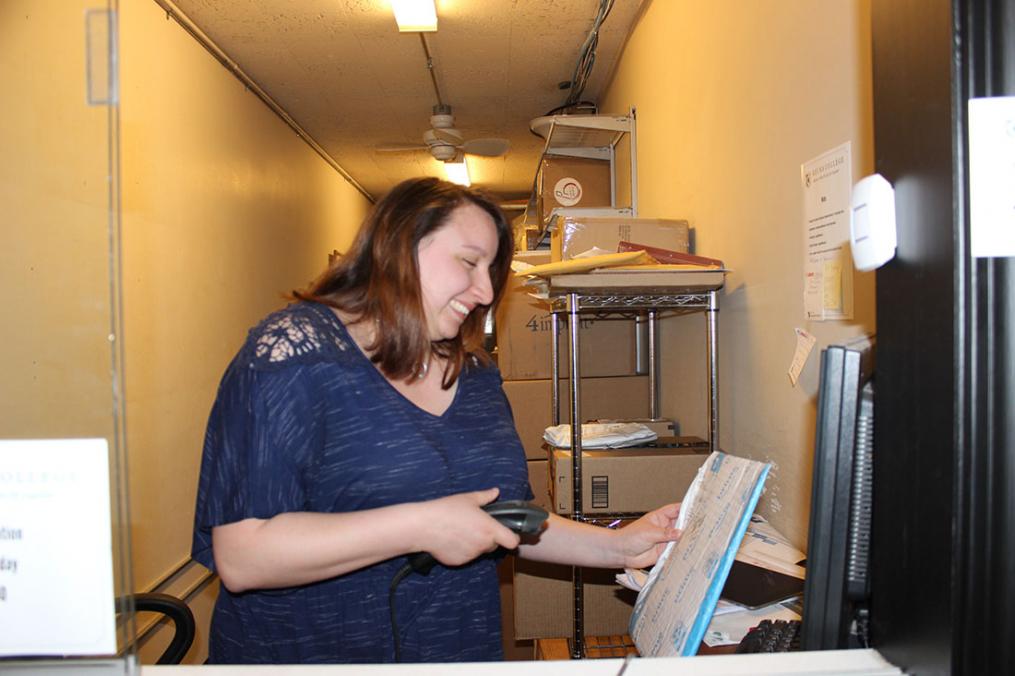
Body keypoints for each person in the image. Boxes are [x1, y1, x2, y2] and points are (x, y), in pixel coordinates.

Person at [191, 177, 681, 664]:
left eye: (492, 270)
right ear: (396, 248)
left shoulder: (475, 375)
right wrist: (420, 526)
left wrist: (621, 546)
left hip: (454, 650)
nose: (487, 290)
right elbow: (242, 556)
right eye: (469, 262)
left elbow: (505, 519)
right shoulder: (294, 353)